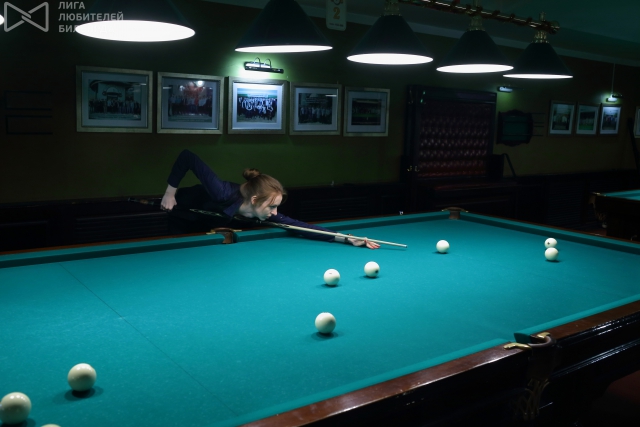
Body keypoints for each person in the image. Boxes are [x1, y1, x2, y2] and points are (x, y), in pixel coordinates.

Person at [160, 149, 379, 249]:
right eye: (272, 206)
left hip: (209, 225)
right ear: (255, 200)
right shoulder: (223, 192)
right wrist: (170, 193)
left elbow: (303, 227)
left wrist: (347, 238)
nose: (275, 212)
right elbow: (188, 157)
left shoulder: (266, 214)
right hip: (182, 212)